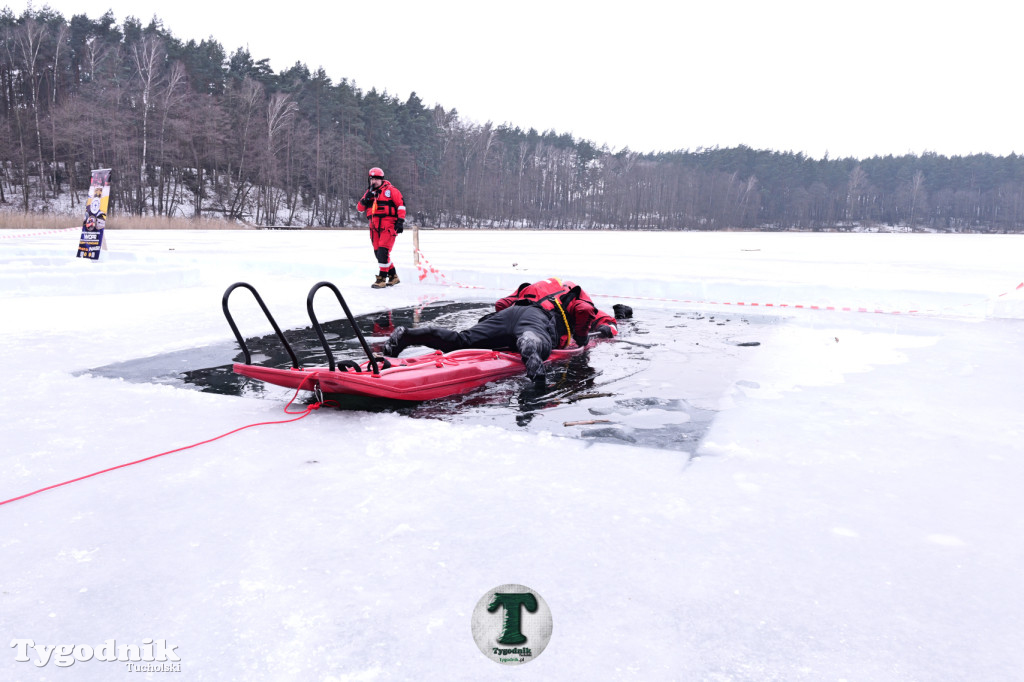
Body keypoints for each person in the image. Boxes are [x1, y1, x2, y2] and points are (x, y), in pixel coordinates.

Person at [381, 278, 622, 385]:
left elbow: (501, 305)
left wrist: (496, 326)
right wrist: (585, 337)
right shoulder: (575, 292)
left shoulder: (538, 285)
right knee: (541, 343)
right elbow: (585, 310)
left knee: (462, 340)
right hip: (537, 320)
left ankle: (409, 335)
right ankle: (529, 341)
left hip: (508, 314)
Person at [357, 167, 406, 288]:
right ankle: (393, 276)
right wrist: (366, 199)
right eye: (372, 179)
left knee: (383, 252)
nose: (374, 181)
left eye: (376, 179)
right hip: (374, 227)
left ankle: (382, 279)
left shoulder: (391, 191)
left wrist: (400, 221)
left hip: (388, 226)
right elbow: (359, 208)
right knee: (378, 253)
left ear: (382, 179)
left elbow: (401, 206)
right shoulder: (369, 193)